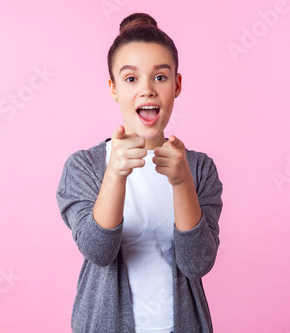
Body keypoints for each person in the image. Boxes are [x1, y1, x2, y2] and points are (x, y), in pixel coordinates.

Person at [56, 12, 223, 333]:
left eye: (159, 77)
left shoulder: (200, 168)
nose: (146, 90)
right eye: (131, 78)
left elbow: (197, 263)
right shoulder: (83, 167)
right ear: (113, 87)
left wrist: (182, 180)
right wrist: (115, 175)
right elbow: (98, 251)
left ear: (177, 85)